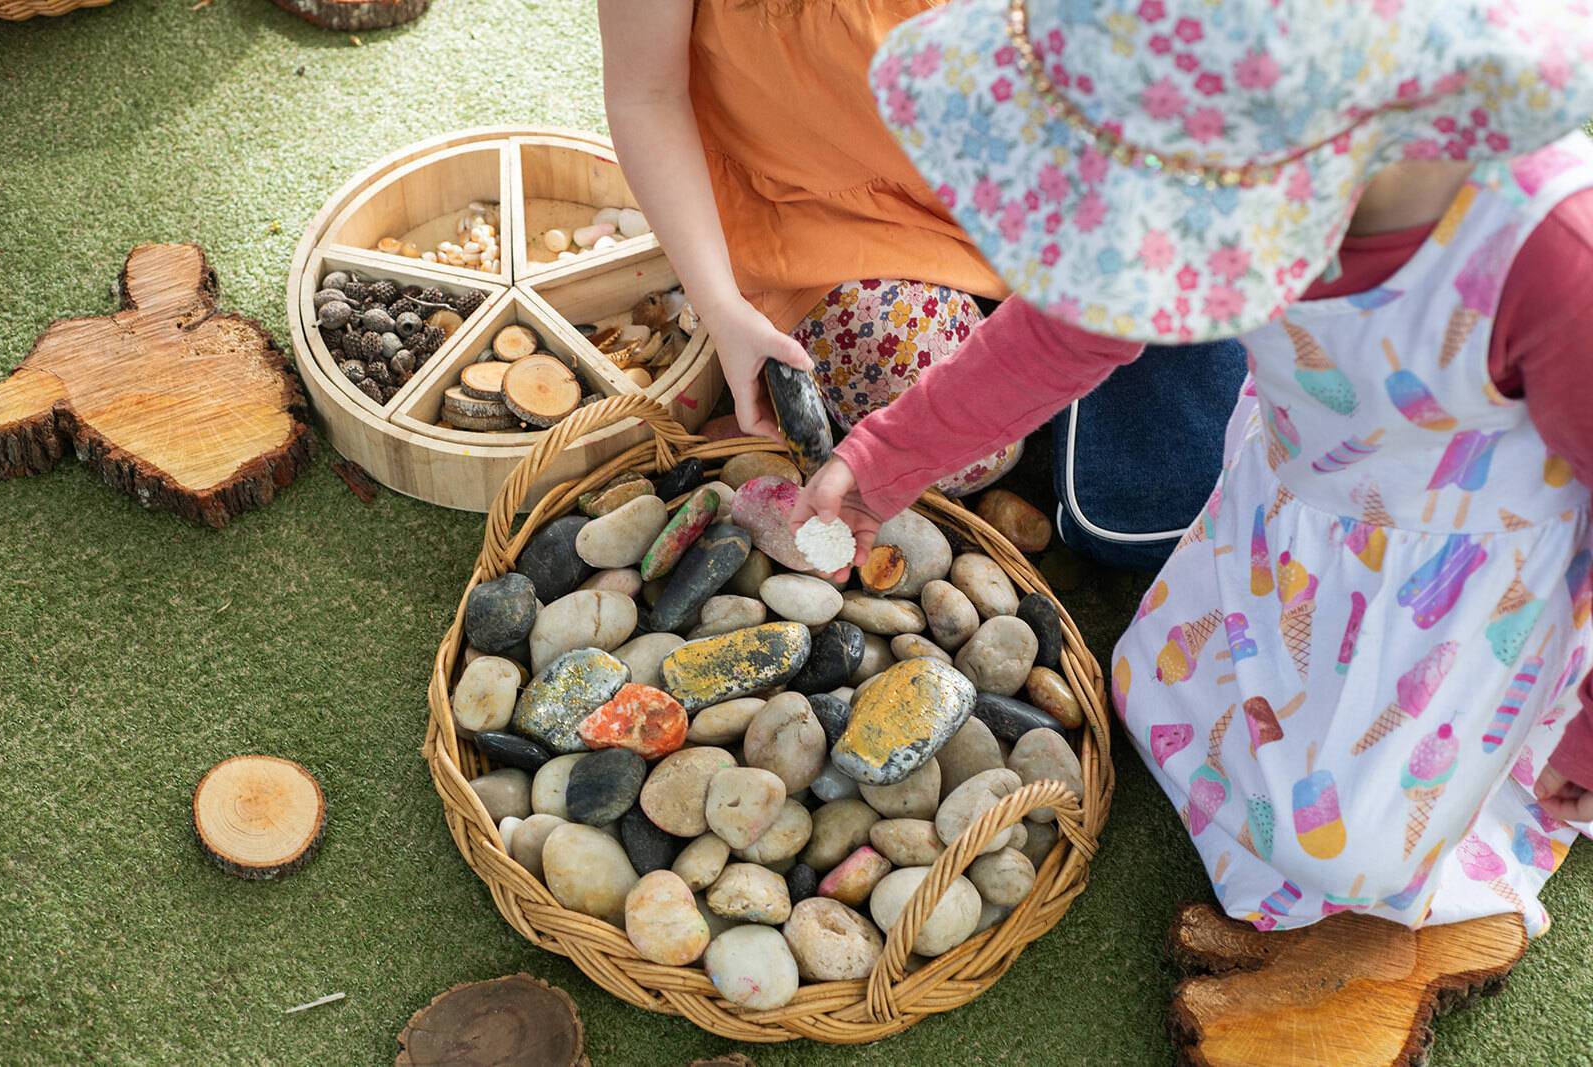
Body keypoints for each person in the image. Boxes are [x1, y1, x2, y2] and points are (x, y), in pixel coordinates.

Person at [796, 0, 1593, 932]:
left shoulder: (1549, 257)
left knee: (1338, 850)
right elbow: (1056, 339)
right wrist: (887, 457)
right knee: (1156, 683)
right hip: (1292, 520)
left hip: (1453, 591)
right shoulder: (1217, 188)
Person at [596, 0, 1245, 539]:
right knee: (974, 450)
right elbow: (646, 95)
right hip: (819, 212)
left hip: (996, 142)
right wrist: (721, 306)